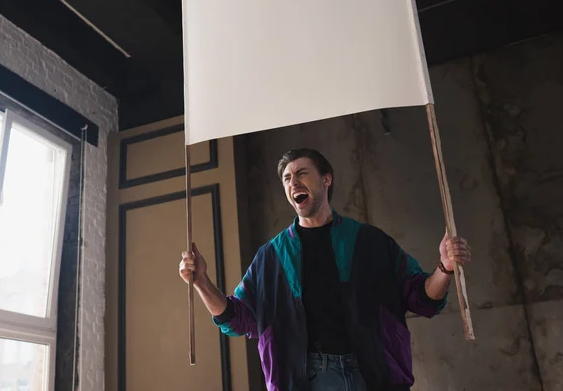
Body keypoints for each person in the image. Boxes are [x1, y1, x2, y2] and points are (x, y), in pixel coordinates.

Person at [179, 149, 471, 391]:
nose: (293, 182)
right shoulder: (271, 257)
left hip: (374, 375)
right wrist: (202, 282)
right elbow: (237, 318)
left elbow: (422, 298)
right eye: (287, 178)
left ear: (327, 179)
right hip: (308, 381)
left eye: (302, 173)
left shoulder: (369, 241)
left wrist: (444, 268)